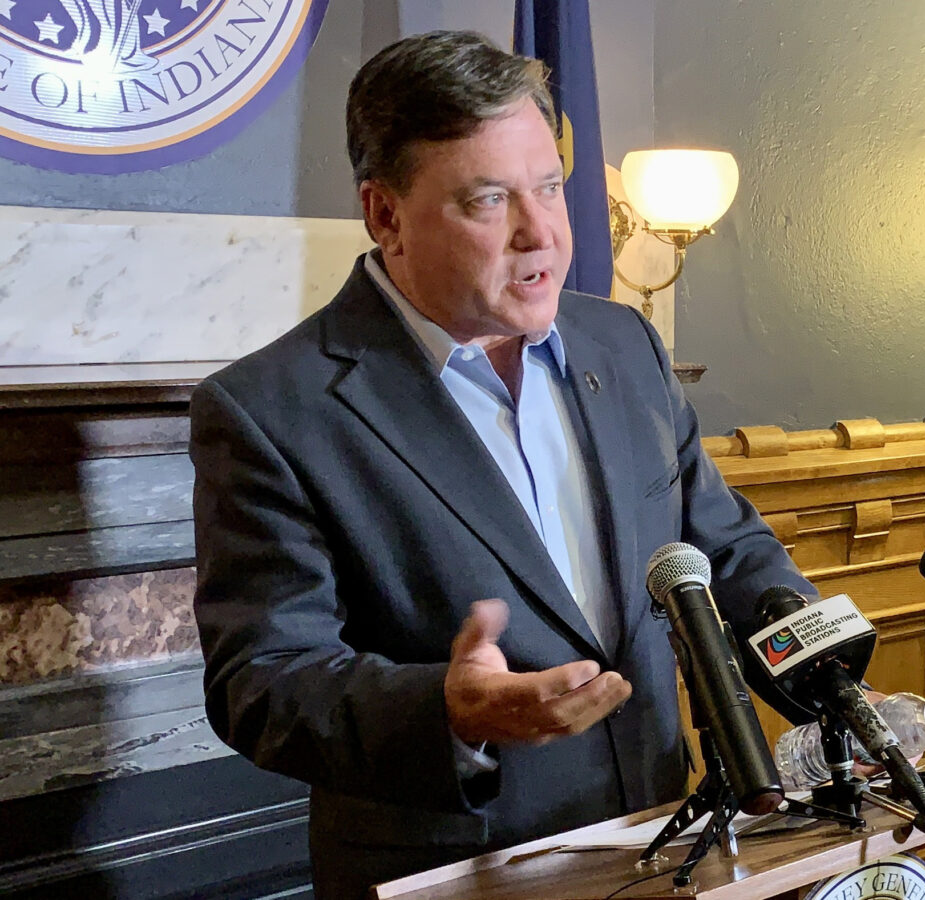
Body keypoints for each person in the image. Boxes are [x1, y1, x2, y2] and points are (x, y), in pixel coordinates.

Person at [190, 31, 815, 900]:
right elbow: (262, 683)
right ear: (385, 215)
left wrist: (816, 642)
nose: (544, 235)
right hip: (455, 870)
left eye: (550, 187)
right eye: (489, 200)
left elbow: (722, 546)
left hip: (665, 839)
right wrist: (446, 711)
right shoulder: (268, 410)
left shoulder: (624, 341)